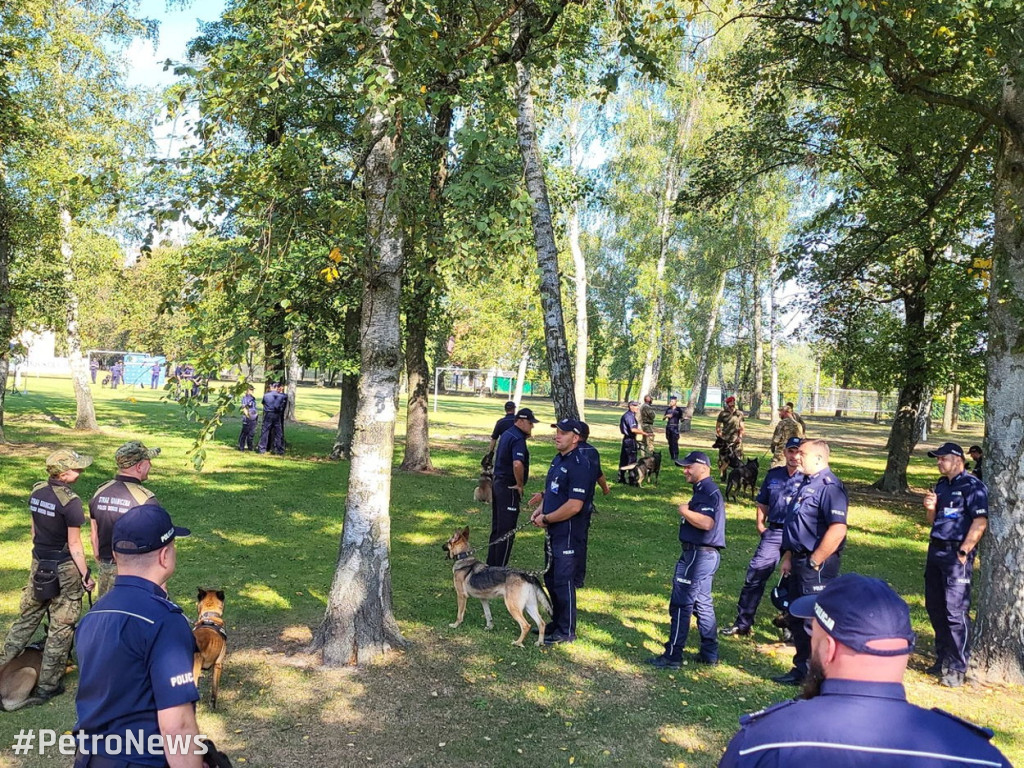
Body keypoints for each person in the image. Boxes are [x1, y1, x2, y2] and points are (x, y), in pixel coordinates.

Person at [720, 574, 1011, 768]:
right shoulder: (980, 757)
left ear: (829, 649)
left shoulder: (763, 744)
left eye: (813, 632)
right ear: (905, 650)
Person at [73, 504, 207, 768]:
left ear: (115, 554)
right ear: (165, 556)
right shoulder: (165, 621)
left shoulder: (93, 615)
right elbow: (177, 726)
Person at [0, 449, 95, 706]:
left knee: (26, 619)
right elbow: (74, 544)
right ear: (63, 474)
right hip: (63, 566)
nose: (80, 472)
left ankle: (3, 665)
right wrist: (85, 574)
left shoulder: (37, 492)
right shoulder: (71, 502)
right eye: (77, 469)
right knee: (61, 628)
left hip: (38, 563)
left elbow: (34, 530)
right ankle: (47, 686)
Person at [773, 438, 848, 685]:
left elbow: (837, 530)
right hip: (797, 560)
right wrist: (788, 556)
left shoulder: (830, 486)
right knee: (796, 615)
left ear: (818, 458)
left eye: (802, 454)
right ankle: (801, 668)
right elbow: (796, 524)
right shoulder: (806, 483)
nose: (797, 457)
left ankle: (817, 674)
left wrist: (816, 560)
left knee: (813, 621)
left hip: (816, 565)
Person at [647, 451, 725, 669]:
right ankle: (709, 653)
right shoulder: (702, 490)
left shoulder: (708, 491)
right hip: (703, 555)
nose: (685, 470)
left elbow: (707, 523)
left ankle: (673, 656)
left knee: (682, 603)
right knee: (703, 603)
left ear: (703, 467)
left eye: (689, 466)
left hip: (698, 556)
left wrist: (684, 511)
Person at [721, 436, 803, 637]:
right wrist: (760, 524)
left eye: (799, 452)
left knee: (793, 581)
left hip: (799, 534)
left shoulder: (810, 479)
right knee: (755, 576)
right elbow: (763, 501)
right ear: (785, 453)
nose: (795, 456)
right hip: (774, 532)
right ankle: (743, 623)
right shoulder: (774, 475)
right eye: (791, 451)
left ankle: (789, 626)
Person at [922, 442, 989, 688]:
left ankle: (957, 665)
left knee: (955, 611)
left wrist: (964, 551)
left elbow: (980, 521)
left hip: (956, 552)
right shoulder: (941, 485)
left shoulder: (973, 486)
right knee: (935, 606)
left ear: (957, 459)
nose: (938, 463)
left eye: (942, 459)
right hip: (936, 549)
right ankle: (942, 658)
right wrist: (930, 508)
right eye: (937, 459)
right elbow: (934, 519)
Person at [530, 419, 590, 644]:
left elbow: (575, 505)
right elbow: (552, 492)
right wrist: (540, 510)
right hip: (553, 529)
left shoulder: (580, 465)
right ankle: (557, 621)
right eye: (557, 431)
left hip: (568, 533)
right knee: (551, 577)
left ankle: (567, 631)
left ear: (575, 438)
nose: (558, 436)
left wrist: (547, 518)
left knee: (564, 580)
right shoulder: (558, 460)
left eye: (563, 433)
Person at [89, 441, 162, 598]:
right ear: (139, 466)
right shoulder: (145, 500)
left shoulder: (99, 493)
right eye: (149, 462)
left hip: (106, 569)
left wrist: (105, 565)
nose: (151, 466)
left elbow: (94, 538)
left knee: (107, 615)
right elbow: (157, 548)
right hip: (135, 574)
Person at [489, 407, 539, 567]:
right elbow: (517, 463)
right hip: (508, 487)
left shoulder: (508, 433)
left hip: (497, 483)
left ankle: (491, 565)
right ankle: (500, 570)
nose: (532, 426)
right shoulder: (518, 438)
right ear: (522, 421)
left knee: (497, 528)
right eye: (531, 423)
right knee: (507, 531)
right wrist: (519, 484)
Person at [575, 421, 609, 588]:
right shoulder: (593, 452)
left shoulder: (571, 452)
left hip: (570, 504)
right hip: (586, 503)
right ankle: (578, 578)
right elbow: (599, 473)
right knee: (581, 541)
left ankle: (565, 575)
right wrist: (605, 488)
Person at [715, 396, 745, 472]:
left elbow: (742, 427)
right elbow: (718, 426)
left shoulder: (739, 413)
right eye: (730, 402)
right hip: (725, 440)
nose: (732, 403)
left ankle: (737, 475)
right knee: (723, 459)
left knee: (738, 459)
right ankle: (722, 476)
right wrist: (720, 436)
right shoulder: (723, 413)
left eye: (733, 402)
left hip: (736, 439)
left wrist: (740, 437)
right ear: (727, 403)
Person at [256, 382, 287, 455]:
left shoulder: (266, 395)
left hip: (268, 414)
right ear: (277, 387)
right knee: (278, 432)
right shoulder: (281, 396)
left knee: (265, 431)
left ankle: (262, 448)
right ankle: (279, 449)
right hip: (277, 415)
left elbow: (263, 403)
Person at [618, 400, 644, 483]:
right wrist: (645, 433)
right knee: (632, 460)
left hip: (627, 440)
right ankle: (632, 479)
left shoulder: (628, 415)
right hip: (630, 440)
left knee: (624, 459)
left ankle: (621, 478)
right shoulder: (629, 416)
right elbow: (633, 429)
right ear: (631, 406)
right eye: (635, 406)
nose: (637, 408)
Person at [238, 384, 259, 451]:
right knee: (245, 432)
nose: (252, 391)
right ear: (247, 390)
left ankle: (250, 447)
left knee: (252, 432)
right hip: (247, 417)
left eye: (252, 389)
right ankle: (241, 447)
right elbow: (244, 408)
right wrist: (247, 416)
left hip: (254, 417)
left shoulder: (253, 398)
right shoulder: (245, 398)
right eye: (251, 389)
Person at [663, 395, 683, 462]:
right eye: (670, 401)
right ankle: (672, 455)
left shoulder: (679, 410)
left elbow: (681, 418)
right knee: (670, 441)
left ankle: (676, 456)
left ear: (675, 402)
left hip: (675, 427)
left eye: (672, 401)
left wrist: (685, 419)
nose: (671, 402)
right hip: (669, 426)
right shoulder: (668, 409)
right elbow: (663, 418)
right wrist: (666, 416)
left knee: (675, 442)